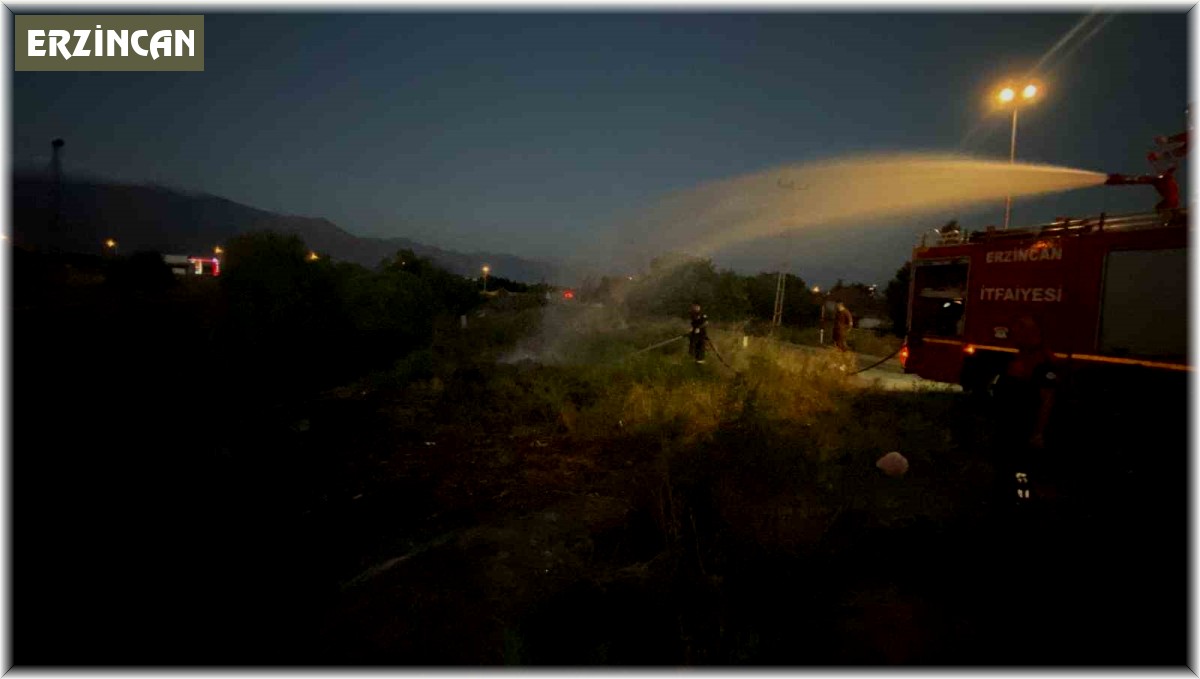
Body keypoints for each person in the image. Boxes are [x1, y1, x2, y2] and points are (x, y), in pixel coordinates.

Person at [992, 315, 1059, 506]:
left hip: (1024, 428)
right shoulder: (1019, 359)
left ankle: (1023, 504)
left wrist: (1038, 433)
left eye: (1020, 327)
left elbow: (1047, 400)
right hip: (1009, 427)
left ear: (1033, 333)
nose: (1014, 331)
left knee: (1022, 471)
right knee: (1005, 469)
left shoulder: (1042, 363)